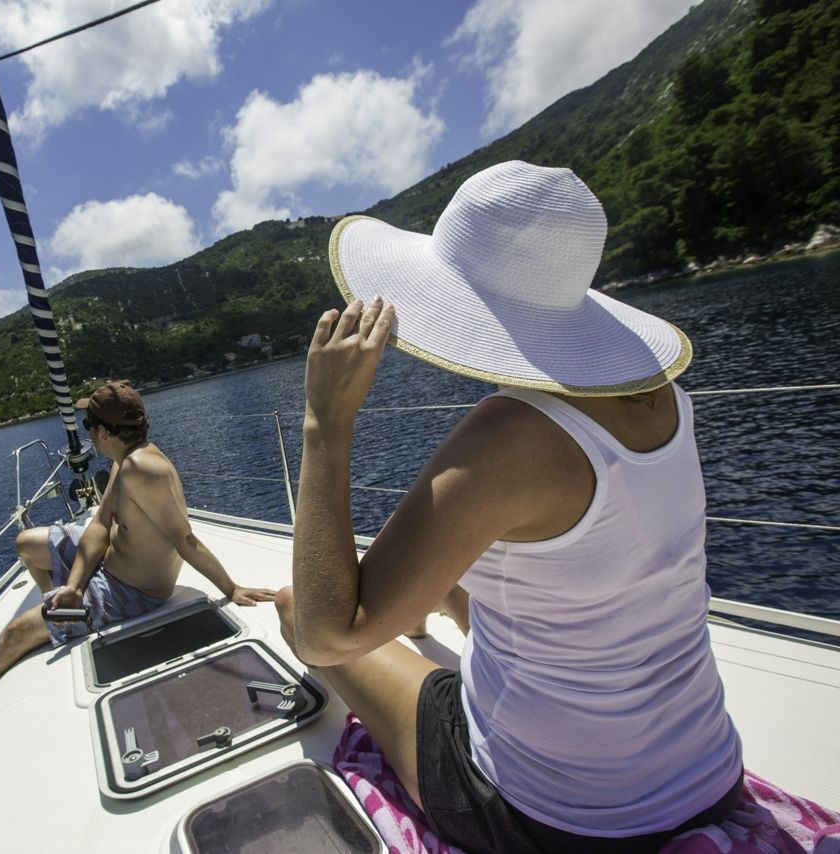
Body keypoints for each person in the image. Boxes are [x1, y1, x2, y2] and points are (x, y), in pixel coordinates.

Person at [276, 161, 743, 852]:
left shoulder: (508, 438)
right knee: (447, 576)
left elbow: (327, 635)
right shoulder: (668, 397)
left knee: (294, 608)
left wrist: (325, 421)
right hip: (710, 775)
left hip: (560, 822)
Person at [0, 380, 275, 714]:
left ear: (102, 431)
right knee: (26, 543)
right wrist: (74, 586)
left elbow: (185, 538)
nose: (85, 431)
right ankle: (64, 611)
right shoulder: (126, 460)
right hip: (107, 565)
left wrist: (231, 588)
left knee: (17, 632)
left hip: (132, 591)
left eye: (88, 423)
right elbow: (99, 526)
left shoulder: (143, 469)